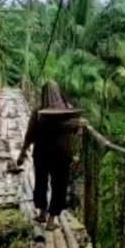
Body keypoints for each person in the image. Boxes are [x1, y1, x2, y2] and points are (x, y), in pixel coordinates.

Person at [16, 81, 80, 229]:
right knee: (59, 185)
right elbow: (75, 131)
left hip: (42, 152)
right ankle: (52, 219)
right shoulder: (68, 109)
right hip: (62, 154)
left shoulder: (38, 111)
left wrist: (22, 153)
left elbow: (30, 134)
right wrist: (75, 152)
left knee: (41, 182)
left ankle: (42, 212)